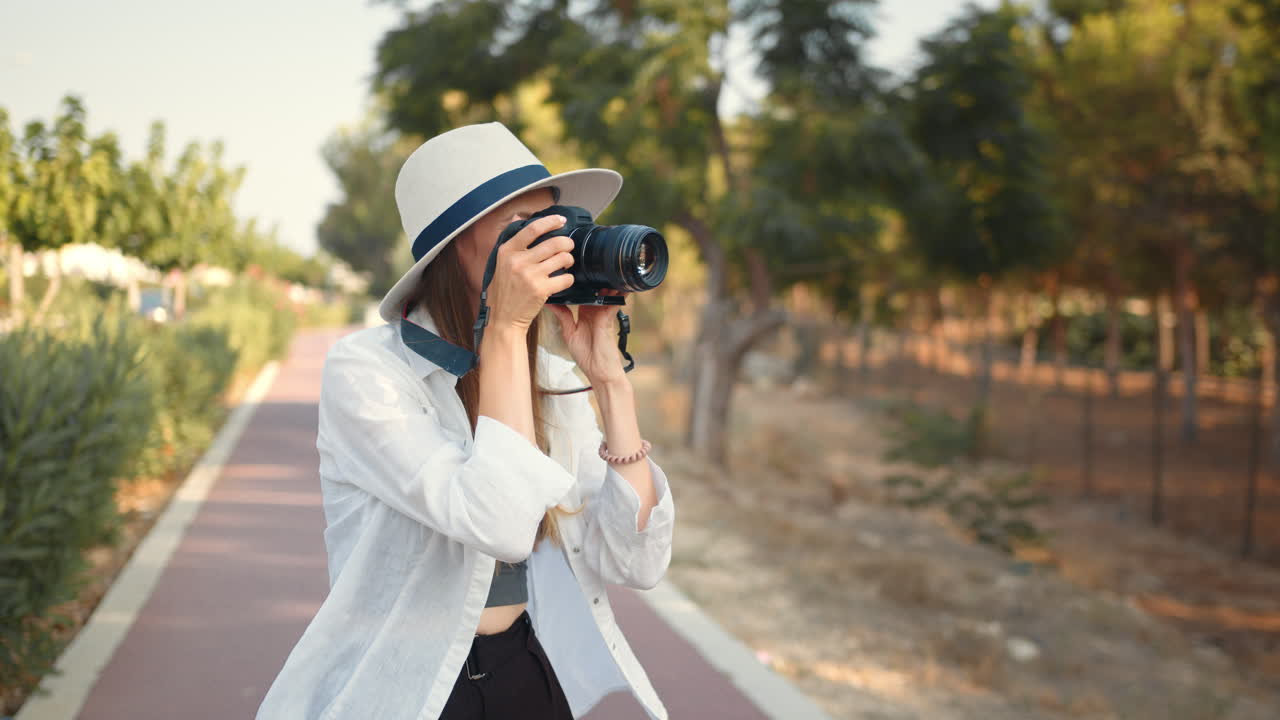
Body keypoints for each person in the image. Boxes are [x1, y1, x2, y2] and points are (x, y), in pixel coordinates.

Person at [255, 122, 675, 720]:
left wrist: (610, 381)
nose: (548, 247)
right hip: (403, 686)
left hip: (520, 669)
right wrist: (504, 328)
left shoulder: (552, 377)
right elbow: (499, 522)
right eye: (522, 232)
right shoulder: (368, 373)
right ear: (455, 250)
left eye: (554, 227)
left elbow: (638, 562)